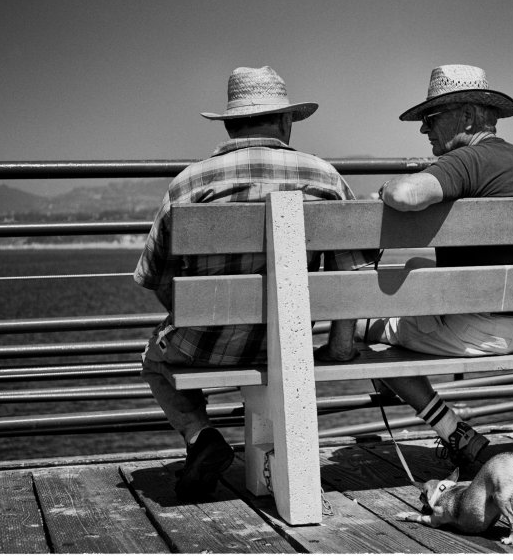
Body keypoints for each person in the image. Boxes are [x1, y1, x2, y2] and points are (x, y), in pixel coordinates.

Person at [135, 65, 367, 500]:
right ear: (285, 120)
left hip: (204, 343)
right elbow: (350, 274)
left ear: (228, 122)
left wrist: (198, 315)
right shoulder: (325, 177)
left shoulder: (190, 182)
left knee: (153, 358)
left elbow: (158, 279)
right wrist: (339, 348)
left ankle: (201, 437)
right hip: (293, 342)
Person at [366, 64, 513, 468]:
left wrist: (384, 188)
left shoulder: (469, 160)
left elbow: (405, 194)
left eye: (431, 119)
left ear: (468, 117)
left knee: (365, 331)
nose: (424, 130)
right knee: (417, 266)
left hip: (486, 329)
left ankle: (454, 432)